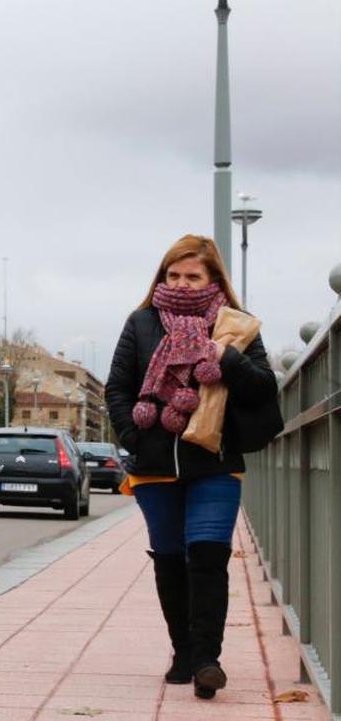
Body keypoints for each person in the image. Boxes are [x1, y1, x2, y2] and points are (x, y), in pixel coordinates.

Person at [105, 234, 282, 701]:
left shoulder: (235, 327)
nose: (182, 284)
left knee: (207, 557)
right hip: (154, 464)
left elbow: (263, 388)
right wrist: (134, 435)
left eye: (192, 276)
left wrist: (227, 359)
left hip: (216, 462)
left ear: (213, 279)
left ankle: (207, 660)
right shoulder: (141, 323)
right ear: (162, 277)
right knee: (169, 559)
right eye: (173, 275)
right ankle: (183, 651)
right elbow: (117, 389)